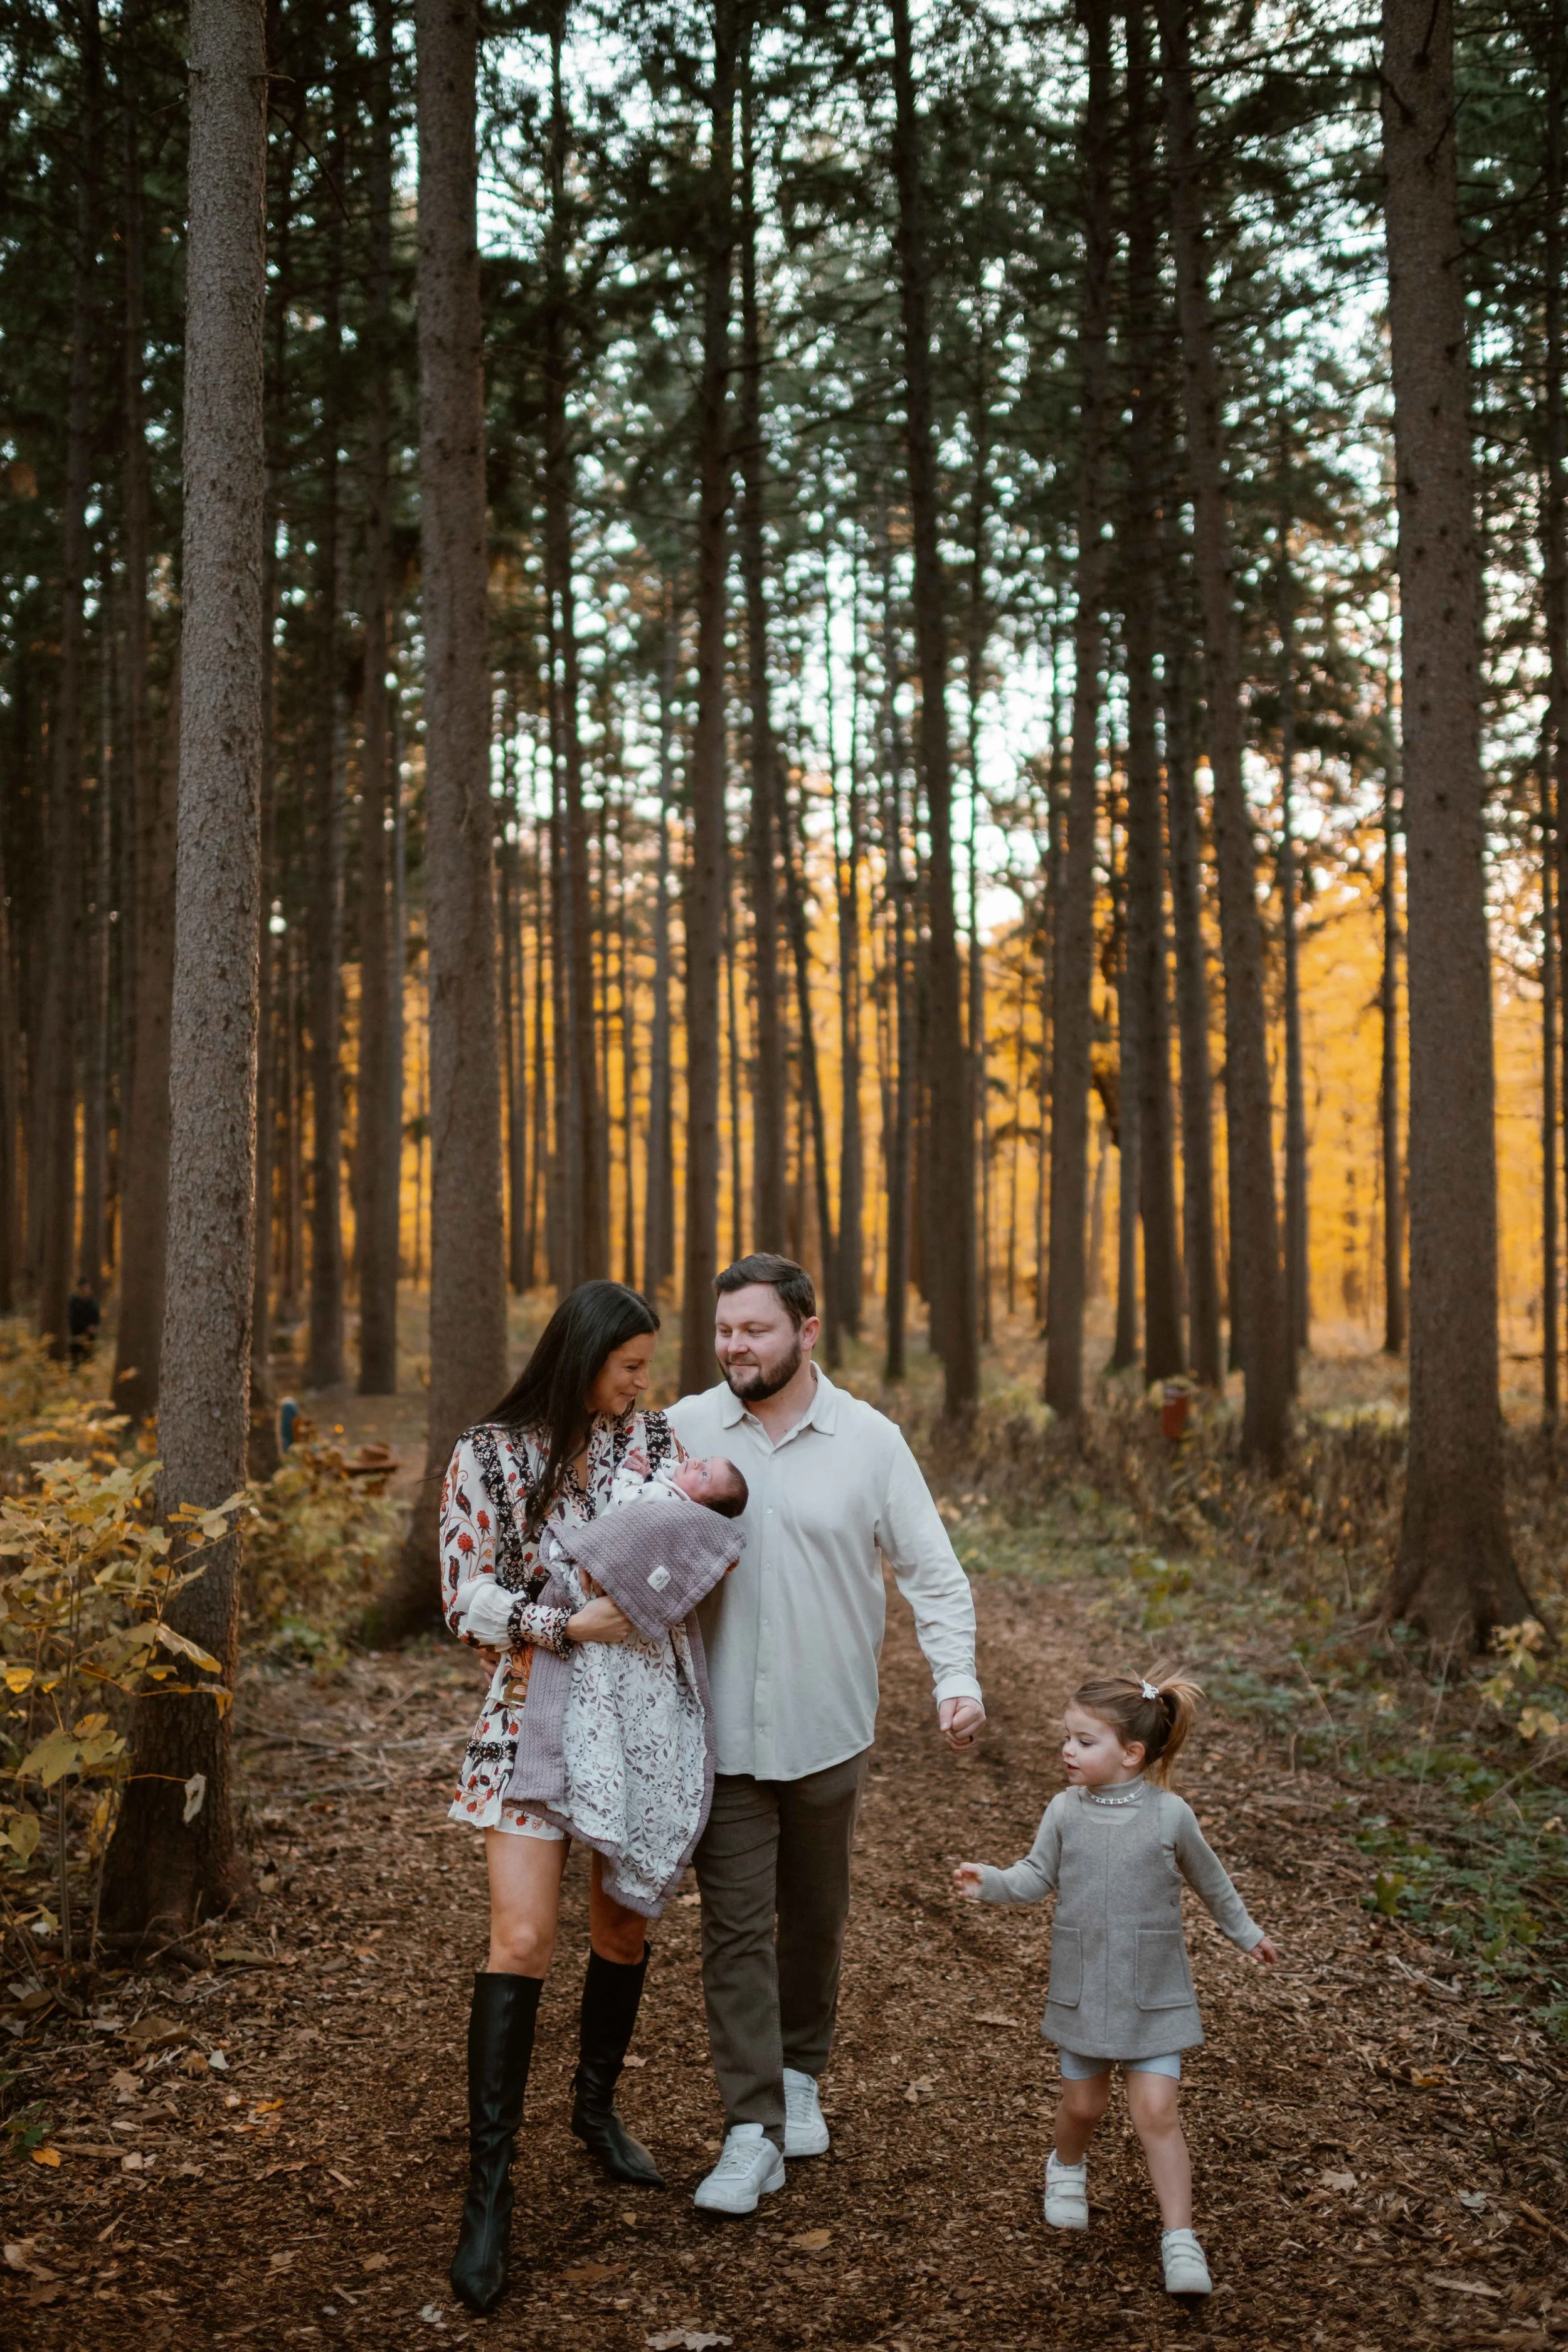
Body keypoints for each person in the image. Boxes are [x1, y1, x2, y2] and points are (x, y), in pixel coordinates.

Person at [667, 1251, 987, 2217]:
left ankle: (800, 2068)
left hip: (829, 1725)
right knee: (733, 1929)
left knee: (814, 1915)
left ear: (808, 1330)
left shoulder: (872, 1440)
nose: (735, 1347)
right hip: (716, 1730)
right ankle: (750, 2129)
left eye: (755, 1330)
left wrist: (957, 1676)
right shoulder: (679, 1428)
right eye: (725, 1330)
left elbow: (932, 1569)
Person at [438, 1281, 688, 2316]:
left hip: (636, 1724)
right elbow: (463, 1599)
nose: (642, 1387)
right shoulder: (489, 1454)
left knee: (621, 1930)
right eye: (629, 1366)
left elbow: (684, 1567)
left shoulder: (656, 1446)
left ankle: (594, 2110)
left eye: (646, 1370)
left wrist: (641, 1605)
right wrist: (561, 1628)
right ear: (581, 1356)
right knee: (524, 1937)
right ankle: (487, 2193)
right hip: (528, 1713)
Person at [953, 1671, 1279, 2299]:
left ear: (1130, 1753)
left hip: (1153, 1992)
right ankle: (1066, 2167)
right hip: (1085, 1987)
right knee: (1084, 2106)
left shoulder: (1169, 1815)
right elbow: (1032, 1878)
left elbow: (1212, 1883)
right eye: (1068, 1739)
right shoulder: (1063, 1811)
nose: (1067, 1752)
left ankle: (1179, 2239)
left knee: (1156, 2113)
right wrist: (989, 1882)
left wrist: (1247, 1934)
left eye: (1083, 1741)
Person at [68, 1278, 101, 1367]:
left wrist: (94, 1327)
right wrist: (86, 1327)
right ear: (79, 1289)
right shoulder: (73, 1301)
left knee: (89, 1360)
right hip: (77, 1334)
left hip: (90, 1336)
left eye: (87, 1288)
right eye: (83, 1288)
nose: (85, 1290)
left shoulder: (93, 1302)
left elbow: (97, 1318)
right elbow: (73, 1318)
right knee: (75, 1360)